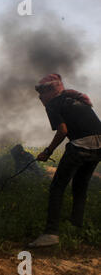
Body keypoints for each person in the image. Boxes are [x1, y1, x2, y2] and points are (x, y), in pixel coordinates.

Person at [29, 73, 101, 248]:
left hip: (80, 147)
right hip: (99, 148)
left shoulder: (54, 104)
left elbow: (62, 131)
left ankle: (51, 233)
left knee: (57, 187)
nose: (40, 97)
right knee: (80, 186)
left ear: (52, 91)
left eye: (42, 92)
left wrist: (47, 151)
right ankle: (77, 228)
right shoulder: (74, 100)